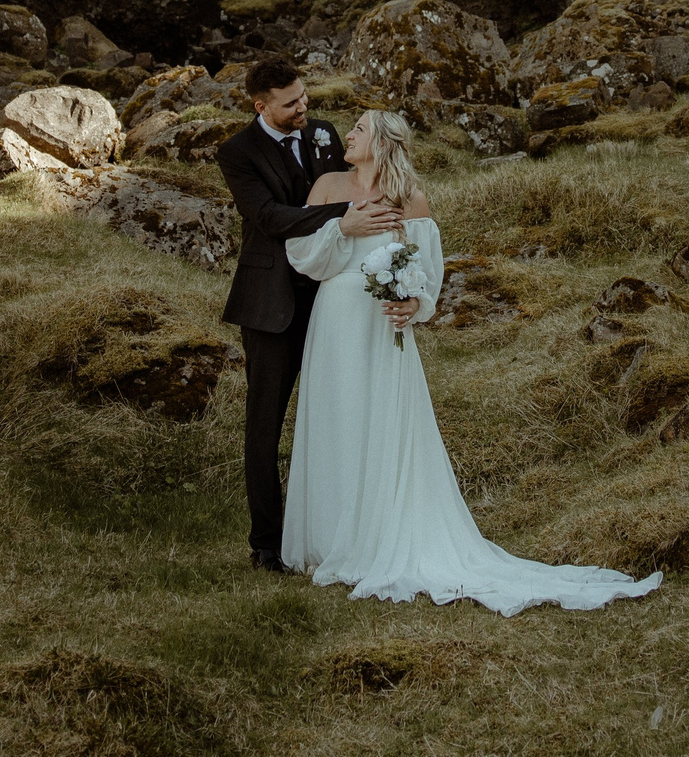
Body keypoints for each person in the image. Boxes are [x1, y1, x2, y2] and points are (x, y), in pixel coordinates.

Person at [282, 108, 661, 614]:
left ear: (385, 140)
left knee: (381, 425)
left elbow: (425, 274)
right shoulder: (327, 185)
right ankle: (329, 539)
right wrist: (345, 228)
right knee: (336, 422)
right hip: (333, 325)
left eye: (360, 127)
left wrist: (413, 304)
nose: (347, 134)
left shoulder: (410, 198)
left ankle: (381, 535)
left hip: (381, 328)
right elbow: (303, 256)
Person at [216, 57, 405, 574]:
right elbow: (269, 218)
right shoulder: (236, 152)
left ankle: (340, 528)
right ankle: (267, 542)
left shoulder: (321, 134)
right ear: (261, 107)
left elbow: (356, 180)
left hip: (336, 302)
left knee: (338, 416)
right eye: (290, 103)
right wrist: (344, 216)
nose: (305, 107)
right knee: (265, 424)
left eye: (304, 96)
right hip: (272, 301)